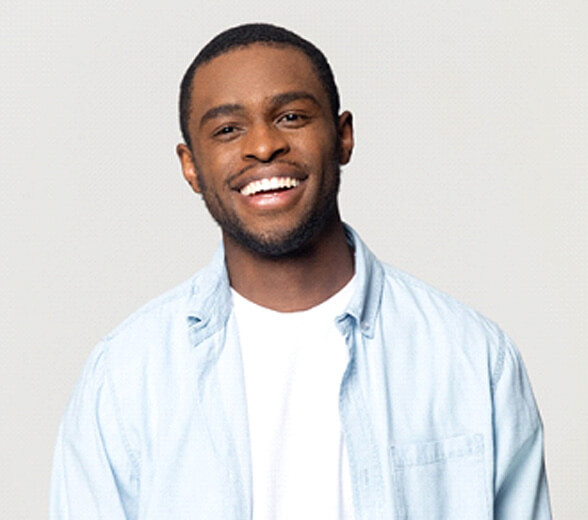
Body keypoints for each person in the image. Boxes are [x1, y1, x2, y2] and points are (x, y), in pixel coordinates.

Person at [50, 23, 552, 519]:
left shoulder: (472, 357)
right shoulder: (124, 379)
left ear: (343, 136)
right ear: (191, 167)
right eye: (228, 129)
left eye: (290, 117)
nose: (264, 146)